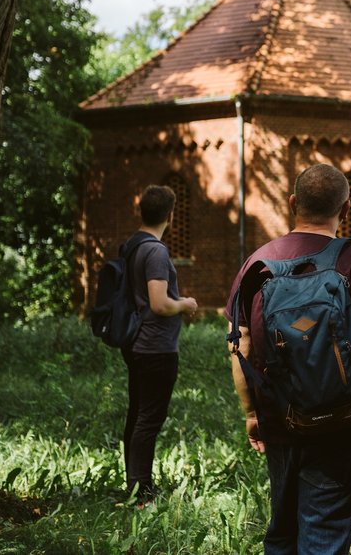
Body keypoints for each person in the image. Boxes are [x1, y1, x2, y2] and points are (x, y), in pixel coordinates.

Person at [225, 164, 351, 555]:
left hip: (278, 419)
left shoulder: (256, 265)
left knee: (282, 532)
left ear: (293, 203)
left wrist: (252, 414)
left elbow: (240, 348)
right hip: (341, 422)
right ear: (346, 208)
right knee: (324, 533)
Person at [121, 184, 199, 504]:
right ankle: (141, 491)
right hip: (156, 347)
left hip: (137, 344)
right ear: (171, 215)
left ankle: (134, 484)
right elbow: (159, 303)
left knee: (138, 414)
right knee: (149, 418)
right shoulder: (155, 251)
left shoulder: (132, 245)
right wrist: (185, 303)